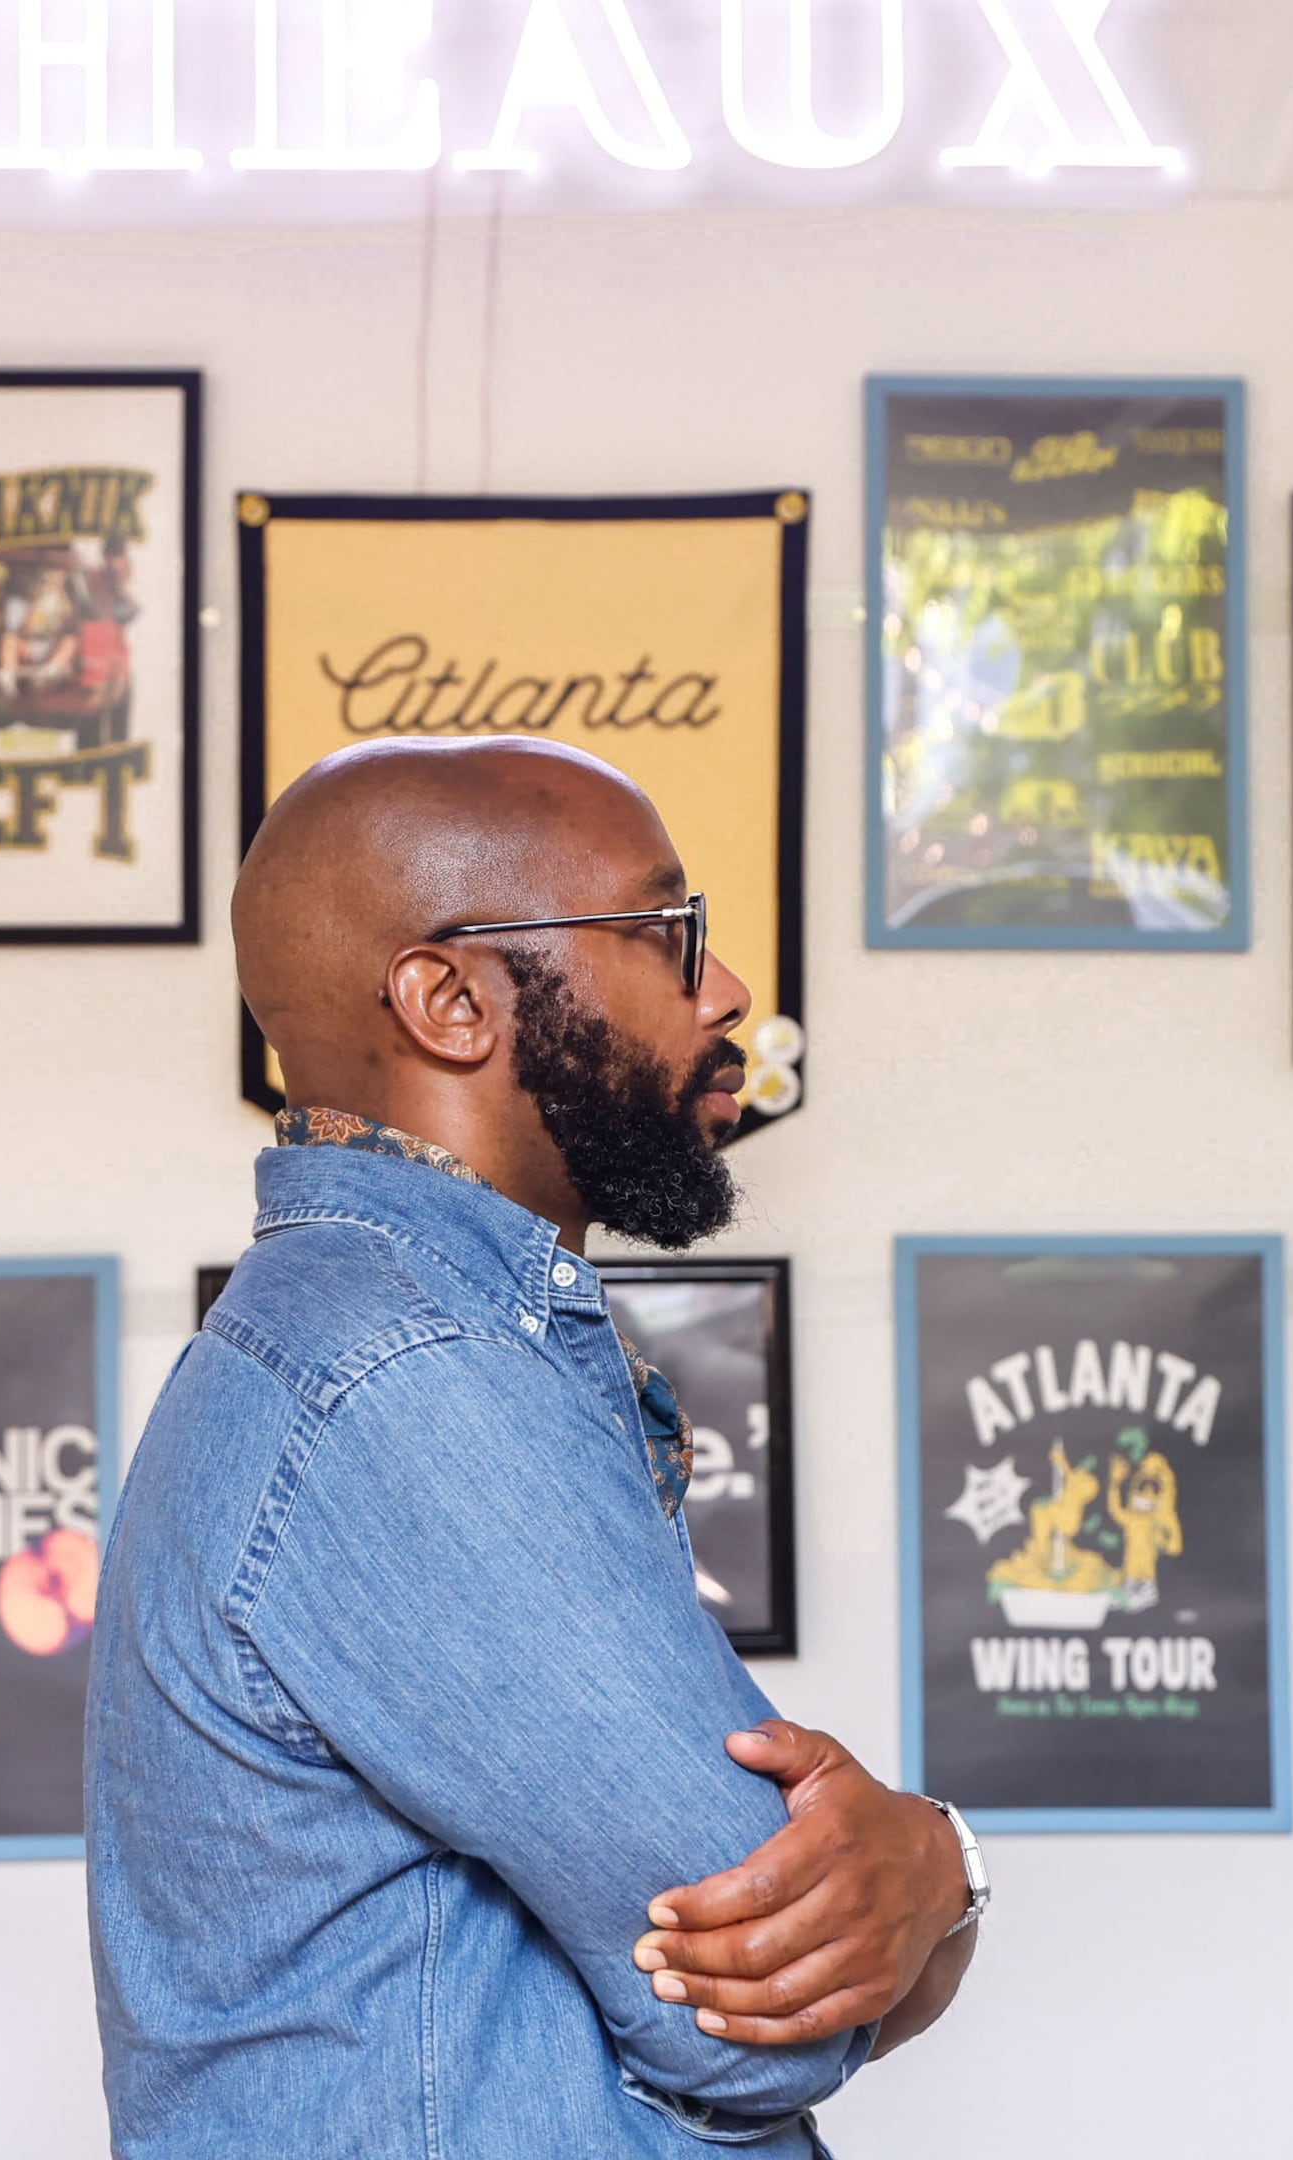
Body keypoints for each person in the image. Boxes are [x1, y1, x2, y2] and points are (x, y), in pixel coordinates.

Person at [89, 739, 984, 2157]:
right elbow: (763, 2018)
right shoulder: (404, 1379)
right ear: (451, 1001)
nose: (732, 990)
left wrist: (920, 1875)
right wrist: (937, 1862)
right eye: (668, 931)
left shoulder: (381, 1341)